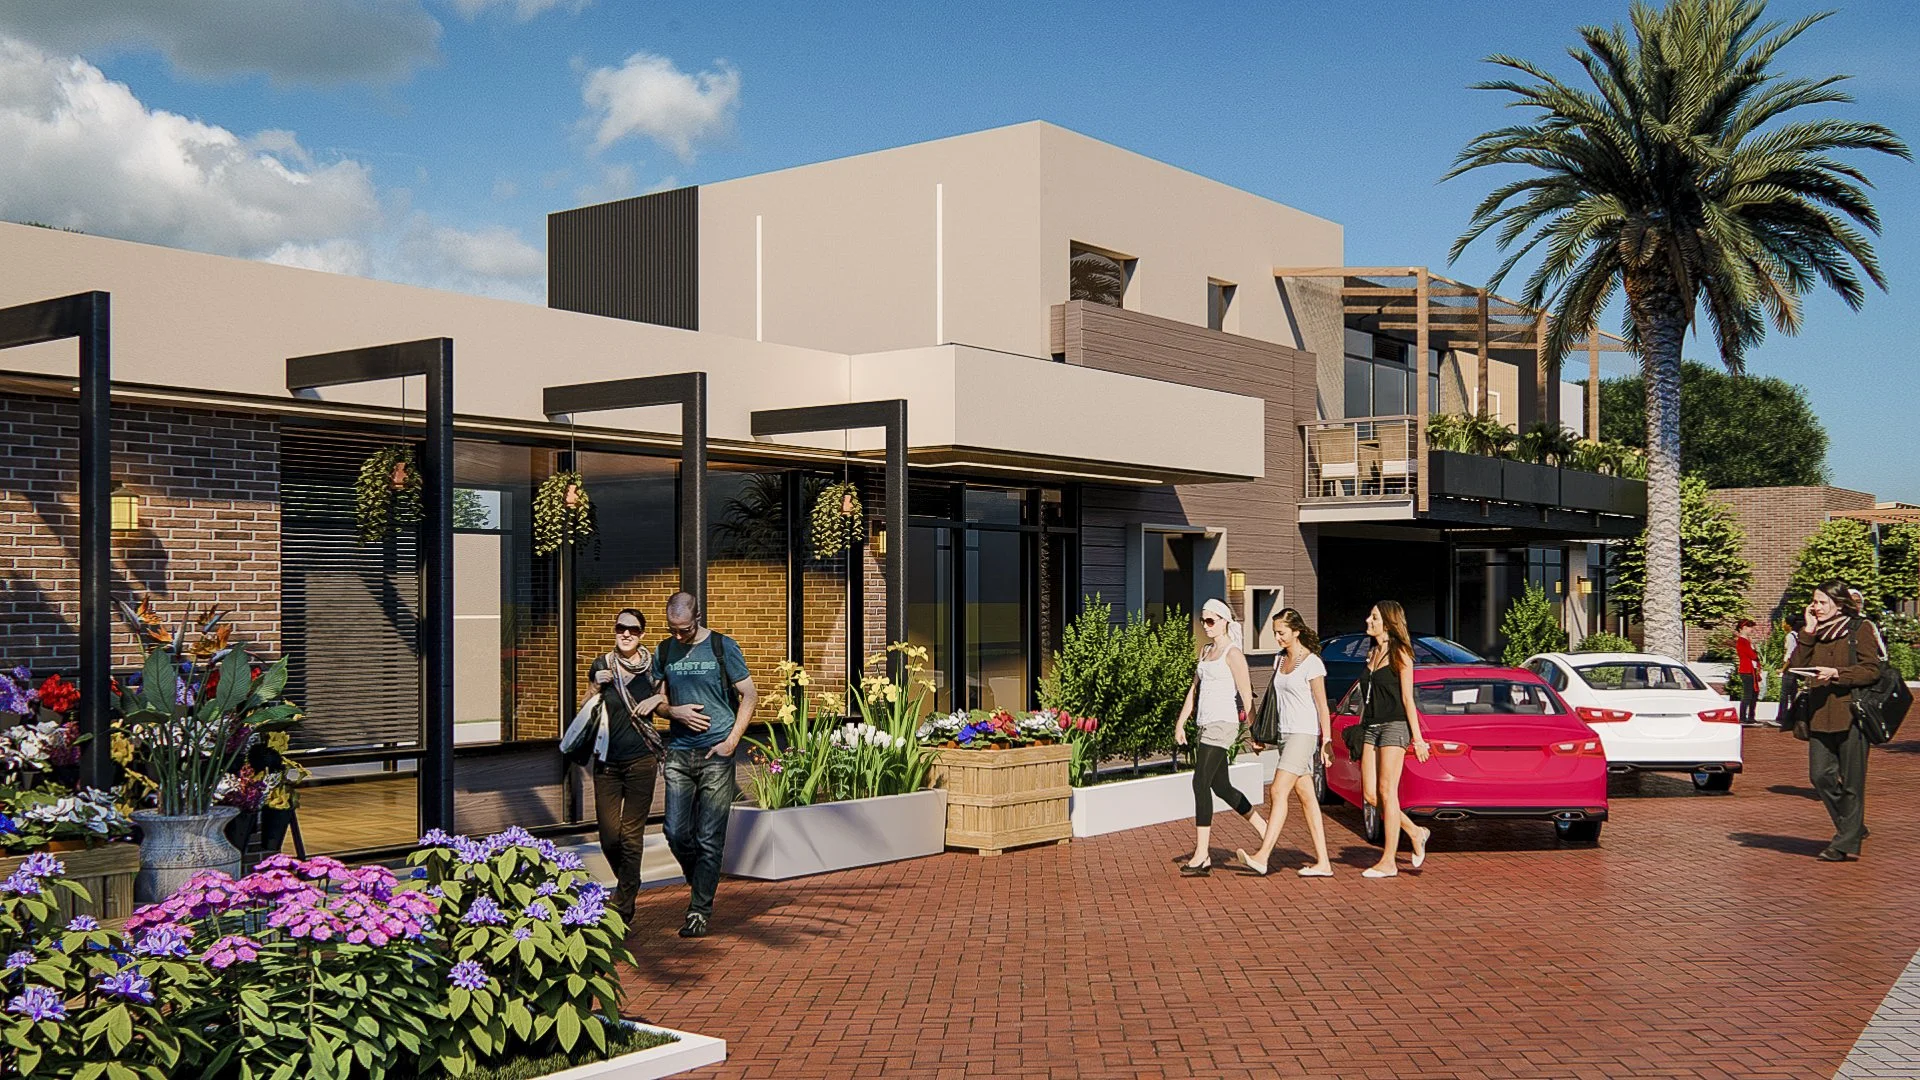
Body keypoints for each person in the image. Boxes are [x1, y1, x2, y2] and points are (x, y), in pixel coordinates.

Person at [652, 591, 757, 937]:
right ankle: (701, 881)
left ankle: (699, 910)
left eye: (683, 629)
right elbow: (657, 699)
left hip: (716, 752)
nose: (677, 636)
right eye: (672, 629)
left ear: (697, 618)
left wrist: (731, 742)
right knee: (675, 832)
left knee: (709, 837)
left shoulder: (722, 647)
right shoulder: (664, 650)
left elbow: (750, 694)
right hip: (680, 752)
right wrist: (672, 711)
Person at [1787, 580, 1886, 862]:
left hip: (1852, 714)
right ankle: (1853, 827)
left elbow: (1871, 670)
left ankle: (1843, 844)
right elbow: (1796, 664)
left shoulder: (1860, 628)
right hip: (1819, 714)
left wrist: (1837, 674)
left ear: (1839, 604)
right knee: (1820, 775)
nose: (1815, 608)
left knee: (1853, 781)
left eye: (1821, 602)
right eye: (1813, 602)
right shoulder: (1814, 632)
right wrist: (1807, 631)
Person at [1236, 607, 1335, 878]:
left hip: (1304, 735)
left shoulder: (1312, 662)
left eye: (1281, 633)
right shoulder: (1279, 661)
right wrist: (1261, 735)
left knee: (1278, 791)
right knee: (1307, 799)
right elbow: (1275, 704)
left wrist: (1326, 740)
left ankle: (1263, 856)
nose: (1278, 638)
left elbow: (1321, 706)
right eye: (1275, 633)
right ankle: (1324, 862)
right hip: (1285, 735)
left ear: (1296, 631)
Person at [1173, 598, 1267, 876]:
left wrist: (1254, 733)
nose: (1206, 625)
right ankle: (1264, 827)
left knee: (1199, 782)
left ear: (1225, 621)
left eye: (1211, 620)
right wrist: (1181, 722)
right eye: (1203, 620)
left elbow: (1246, 695)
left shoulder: (1233, 654)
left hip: (1223, 723)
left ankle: (1202, 856)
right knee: (1221, 786)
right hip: (1204, 723)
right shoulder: (1205, 651)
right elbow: (1194, 690)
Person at [587, 608, 666, 924]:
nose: (626, 634)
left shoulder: (654, 669)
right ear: (615, 630)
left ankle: (623, 903)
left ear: (642, 634)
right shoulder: (601, 665)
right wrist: (595, 686)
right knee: (609, 835)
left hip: (641, 760)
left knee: (631, 835)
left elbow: (667, 702)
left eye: (633, 630)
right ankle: (630, 882)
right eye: (621, 628)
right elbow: (585, 709)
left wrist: (656, 702)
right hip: (606, 761)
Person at [1357, 601, 1432, 879]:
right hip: (1371, 727)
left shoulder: (1401, 654)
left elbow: (1407, 699)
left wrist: (1419, 739)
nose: (1368, 620)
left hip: (1394, 726)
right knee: (1370, 795)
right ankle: (1415, 831)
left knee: (1388, 792)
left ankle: (1388, 861)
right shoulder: (1372, 652)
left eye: (1374, 616)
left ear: (1387, 623)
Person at [1733, 619, 1761, 727]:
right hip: (1746, 670)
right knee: (1748, 695)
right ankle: (1744, 717)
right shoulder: (1742, 641)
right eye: (1750, 627)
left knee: (1754, 694)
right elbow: (1752, 655)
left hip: (1751, 670)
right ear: (1744, 628)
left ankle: (1751, 717)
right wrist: (1755, 651)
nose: (1751, 630)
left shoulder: (1747, 641)